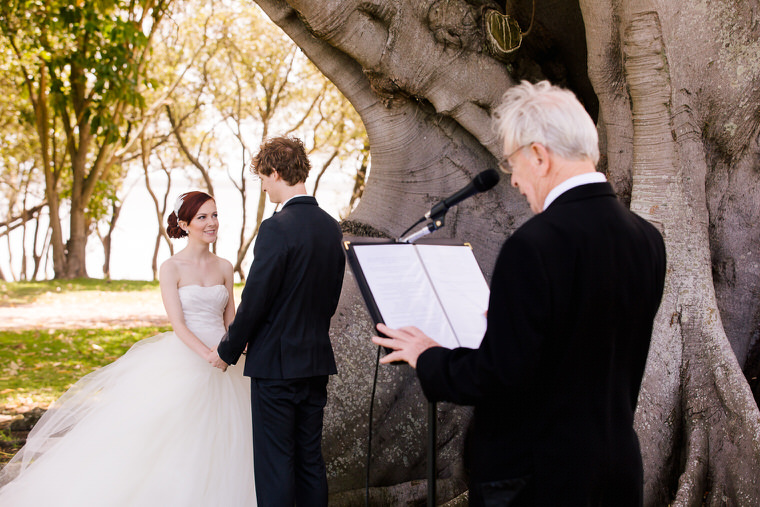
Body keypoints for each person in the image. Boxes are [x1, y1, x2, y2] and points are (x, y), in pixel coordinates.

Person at [372, 81, 667, 506]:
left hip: (538, 482)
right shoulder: (647, 239)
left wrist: (429, 356)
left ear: (539, 156)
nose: (513, 180)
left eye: (513, 163)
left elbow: (498, 378)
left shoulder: (534, 244)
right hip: (615, 474)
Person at [0, 191, 256, 506]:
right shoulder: (171, 267)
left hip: (226, 363)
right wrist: (208, 356)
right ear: (185, 224)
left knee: (231, 439)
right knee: (179, 439)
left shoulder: (225, 267)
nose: (211, 223)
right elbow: (178, 324)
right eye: (202, 217)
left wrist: (236, 350)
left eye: (214, 215)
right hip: (189, 359)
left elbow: (230, 320)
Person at [209, 136, 345, 506]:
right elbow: (329, 298)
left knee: (276, 464)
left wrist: (228, 349)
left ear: (275, 171)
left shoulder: (276, 227)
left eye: (264, 178)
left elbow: (255, 300)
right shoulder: (331, 227)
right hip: (315, 362)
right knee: (309, 461)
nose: (265, 186)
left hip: (276, 368)